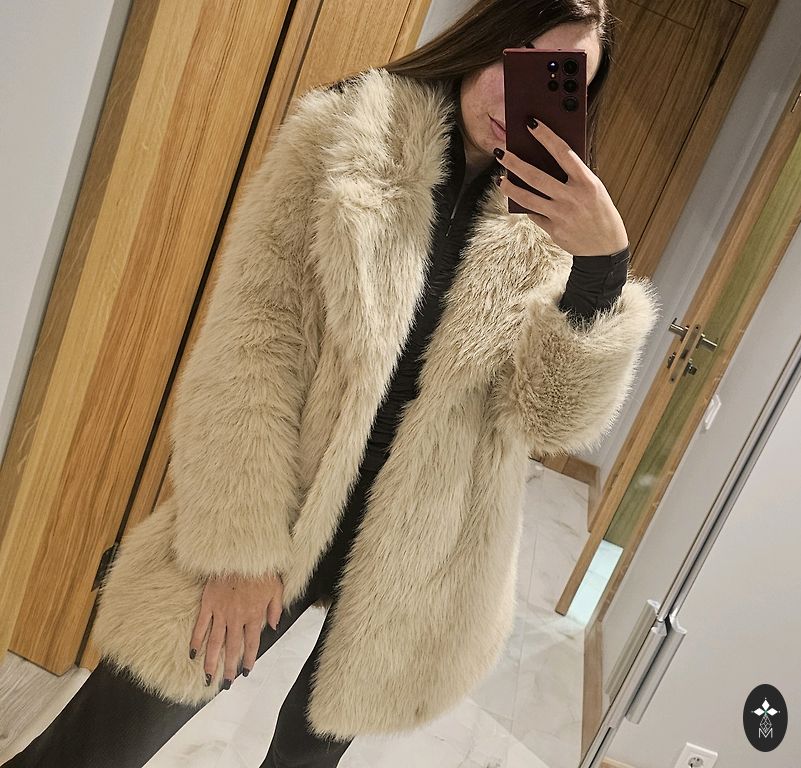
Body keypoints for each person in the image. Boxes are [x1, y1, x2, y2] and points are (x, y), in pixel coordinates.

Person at [2, 1, 660, 766]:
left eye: (556, 78)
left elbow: (548, 419)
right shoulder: (348, 133)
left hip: (413, 553)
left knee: (303, 759)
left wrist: (600, 271)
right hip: (285, 504)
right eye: (517, 58)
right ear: (486, 38)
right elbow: (253, 345)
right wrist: (238, 549)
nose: (519, 99)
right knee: (95, 746)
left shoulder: (552, 231)